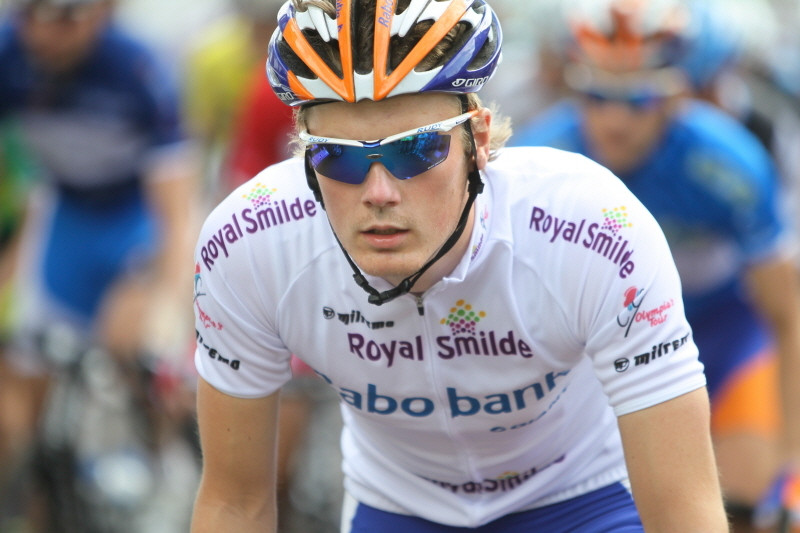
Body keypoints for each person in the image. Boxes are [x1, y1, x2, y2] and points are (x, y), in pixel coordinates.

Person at [190, 0, 728, 532]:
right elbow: (234, 504)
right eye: (339, 156)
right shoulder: (249, 244)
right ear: (305, 158)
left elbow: (683, 509)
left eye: (415, 150)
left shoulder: (594, 229)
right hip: (398, 510)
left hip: (584, 500)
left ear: (479, 141)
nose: (379, 193)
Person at [512, 0, 800, 530]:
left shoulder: (729, 163)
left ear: (676, 96)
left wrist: (793, 454)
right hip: (599, 350)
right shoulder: (540, 157)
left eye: (639, 98)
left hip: (721, 336)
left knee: (744, 505)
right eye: (595, 95)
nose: (615, 120)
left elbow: (788, 314)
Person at [0, 0, 200, 529]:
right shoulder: (7, 53)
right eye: (31, 14)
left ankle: (163, 462)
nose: (47, 33)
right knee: (17, 412)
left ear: (102, 13)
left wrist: (167, 303)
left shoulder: (137, 67)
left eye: (67, 16)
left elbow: (176, 214)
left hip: (134, 224)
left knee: (130, 345)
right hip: (66, 219)